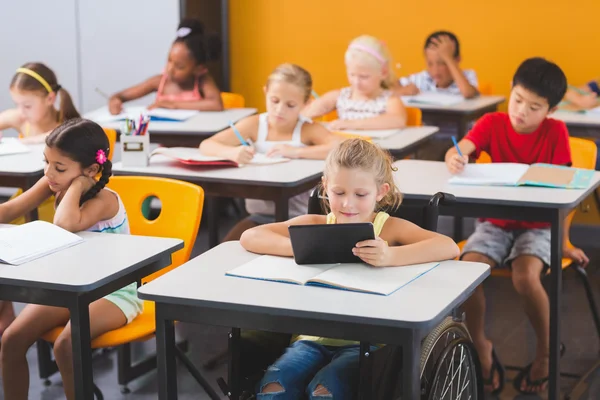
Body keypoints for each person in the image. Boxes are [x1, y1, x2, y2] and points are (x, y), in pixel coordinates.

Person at [241, 138, 459, 399]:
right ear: (325, 187)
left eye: (360, 195)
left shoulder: (389, 228)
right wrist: (303, 247)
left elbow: (448, 246)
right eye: (339, 193)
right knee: (272, 390)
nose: (347, 204)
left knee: (324, 392)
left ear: (380, 192)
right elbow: (250, 236)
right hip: (310, 339)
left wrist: (390, 255)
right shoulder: (316, 223)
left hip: (365, 343)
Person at [445, 57, 589, 395]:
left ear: (550, 110)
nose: (521, 111)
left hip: (540, 225)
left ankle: (545, 353)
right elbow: (465, 146)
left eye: (534, 107)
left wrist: (564, 242)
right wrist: (457, 155)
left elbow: (566, 198)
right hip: (495, 223)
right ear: (510, 91)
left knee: (525, 276)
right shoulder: (492, 122)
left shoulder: (555, 132)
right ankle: (480, 344)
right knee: (467, 274)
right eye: (517, 100)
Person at [0, 118, 142, 400]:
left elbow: (65, 222)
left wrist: (77, 185)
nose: (48, 173)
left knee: (66, 345)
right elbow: (11, 209)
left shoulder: (104, 199)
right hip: (72, 288)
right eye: (47, 162)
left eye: (59, 167)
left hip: (115, 292)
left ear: (91, 170)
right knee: (12, 340)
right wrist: (68, 178)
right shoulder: (53, 181)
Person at [201, 63, 339, 241]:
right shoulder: (255, 125)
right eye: (275, 101)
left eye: (290, 105)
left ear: (306, 104)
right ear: (265, 92)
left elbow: (339, 146)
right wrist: (232, 153)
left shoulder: (306, 129)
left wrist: (296, 152)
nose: (280, 109)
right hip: (261, 218)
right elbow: (208, 144)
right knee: (225, 249)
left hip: (300, 219)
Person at [108, 18, 223, 113]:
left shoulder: (202, 81)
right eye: (169, 60)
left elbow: (216, 104)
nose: (170, 69)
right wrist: (115, 101)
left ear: (199, 69)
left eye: (180, 67)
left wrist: (173, 104)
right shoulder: (159, 82)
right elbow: (120, 96)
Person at [302, 35, 406, 130]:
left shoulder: (390, 100)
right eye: (352, 75)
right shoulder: (341, 96)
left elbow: (397, 120)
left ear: (383, 72)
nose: (356, 82)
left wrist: (351, 124)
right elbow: (307, 112)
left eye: (364, 77)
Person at [0, 63, 80, 144]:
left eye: (27, 106)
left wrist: (20, 142)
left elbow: (53, 136)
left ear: (50, 99)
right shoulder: (20, 118)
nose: (21, 113)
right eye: (16, 105)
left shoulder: (66, 128)